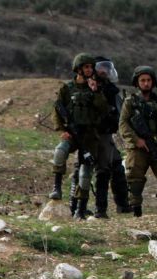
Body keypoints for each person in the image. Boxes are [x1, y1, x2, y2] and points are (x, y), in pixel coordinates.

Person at [50, 53, 108, 218]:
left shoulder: (96, 88)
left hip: (89, 136)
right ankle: (57, 188)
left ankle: (80, 210)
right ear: (78, 69)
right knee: (60, 151)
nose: (90, 70)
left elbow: (103, 110)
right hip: (72, 134)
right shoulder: (67, 88)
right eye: (86, 67)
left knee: (85, 173)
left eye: (91, 67)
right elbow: (57, 109)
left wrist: (95, 91)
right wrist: (62, 130)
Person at [119, 66, 157, 217]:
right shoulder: (130, 102)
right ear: (137, 83)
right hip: (138, 148)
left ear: (153, 82)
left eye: (148, 80)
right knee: (134, 180)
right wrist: (136, 139)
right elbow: (123, 124)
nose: (146, 83)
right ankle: (136, 212)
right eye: (142, 80)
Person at [88, 58, 132, 217]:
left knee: (117, 168)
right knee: (101, 171)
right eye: (101, 68)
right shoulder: (89, 89)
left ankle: (123, 205)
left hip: (107, 135)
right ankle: (99, 209)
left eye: (107, 68)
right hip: (94, 135)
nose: (104, 71)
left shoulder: (111, 90)